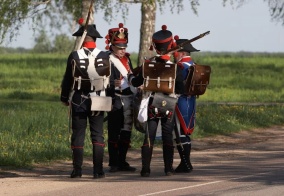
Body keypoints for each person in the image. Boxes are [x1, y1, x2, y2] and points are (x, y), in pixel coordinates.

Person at [129, 25, 184, 177]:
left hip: (152, 102)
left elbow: (135, 82)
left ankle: (145, 169)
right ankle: (168, 169)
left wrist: (130, 77)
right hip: (169, 104)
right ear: (170, 45)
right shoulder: (175, 67)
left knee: (149, 135)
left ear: (155, 47)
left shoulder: (148, 65)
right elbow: (181, 88)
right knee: (167, 136)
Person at [60, 19, 111, 179]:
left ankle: (77, 170)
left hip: (78, 100)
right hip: (100, 99)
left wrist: (64, 97)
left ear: (82, 39)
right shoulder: (104, 55)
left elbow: (68, 79)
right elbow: (109, 81)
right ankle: (98, 171)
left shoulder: (75, 55)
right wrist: (110, 100)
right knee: (97, 136)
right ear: (95, 39)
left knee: (78, 135)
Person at [105, 23, 136, 172]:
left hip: (128, 98)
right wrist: (111, 83)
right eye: (120, 47)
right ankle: (113, 162)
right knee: (114, 131)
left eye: (124, 47)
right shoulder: (106, 59)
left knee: (126, 131)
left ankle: (122, 161)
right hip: (114, 99)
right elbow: (98, 79)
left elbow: (131, 76)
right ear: (112, 45)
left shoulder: (128, 59)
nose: (123, 50)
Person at [173, 35, 200, 173]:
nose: (173, 54)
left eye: (175, 52)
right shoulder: (194, 65)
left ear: (181, 53)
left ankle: (185, 163)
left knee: (179, 133)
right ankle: (186, 162)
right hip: (191, 101)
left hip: (180, 100)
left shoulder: (180, 66)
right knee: (185, 132)